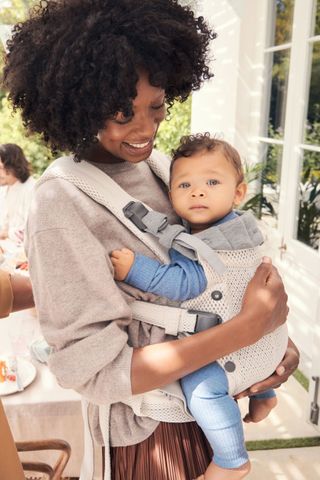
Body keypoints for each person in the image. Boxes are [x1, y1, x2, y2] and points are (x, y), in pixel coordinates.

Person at [2, 1, 299, 479]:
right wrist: (243, 330)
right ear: (77, 103)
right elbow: (94, 370)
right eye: (121, 113)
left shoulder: (162, 169)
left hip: (207, 410)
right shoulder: (61, 203)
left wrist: (268, 348)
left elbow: (223, 273)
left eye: (156, 106)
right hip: (151, 435)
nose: (145, 129)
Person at [111, 133, 288, 479]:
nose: (198, 191)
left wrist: (135, 269)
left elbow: (181, 283)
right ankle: (264, 396)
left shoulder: (202, 244)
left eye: (211, 182)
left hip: (240, 349)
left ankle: (232, 460)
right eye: (185, 185)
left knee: (200, 386)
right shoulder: (240, 228)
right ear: (170, 194)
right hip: (272, 347)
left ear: (238, 192)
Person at [0, 143, 35, 242]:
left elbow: (31, 230)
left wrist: (5, 234)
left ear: (13, 166)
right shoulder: (4, 189)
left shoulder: (31, 189)